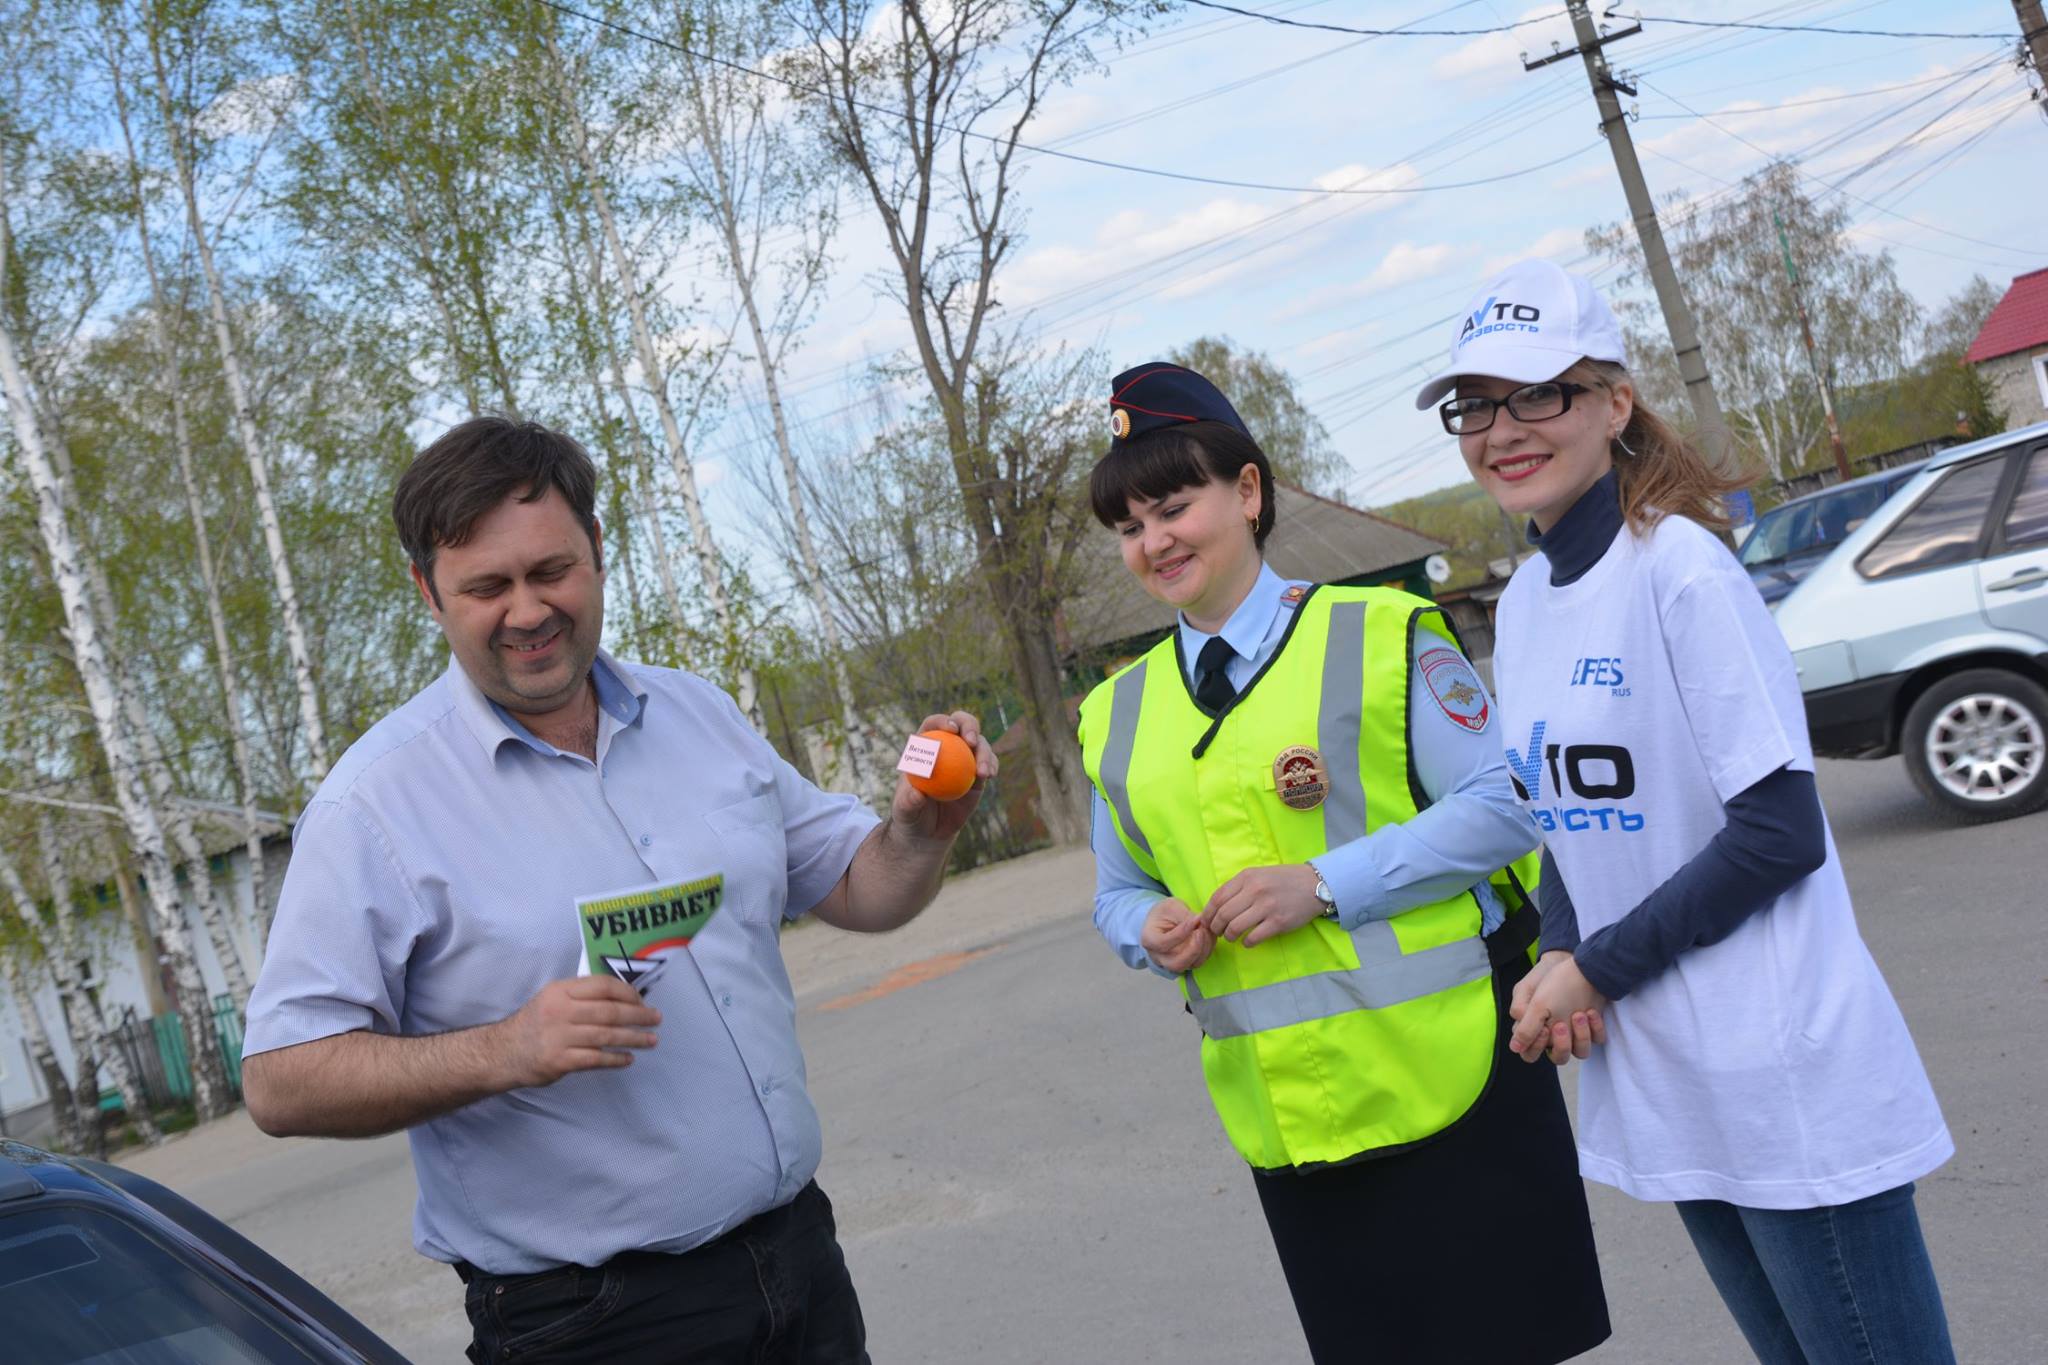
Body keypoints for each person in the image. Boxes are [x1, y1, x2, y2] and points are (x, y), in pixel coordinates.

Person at [240, 417, 996, 1365]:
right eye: (487, 586)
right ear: (427, 592)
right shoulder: (373, 807)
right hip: (591, 1325)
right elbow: (280, 1075)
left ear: (598, 553)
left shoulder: (698, 713)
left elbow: (861, 886)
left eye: (551, 570)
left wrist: (921, 829)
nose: (527, 609)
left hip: (798, 1261)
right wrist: (506, 1048)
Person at [1422, 258, 1956, 1364]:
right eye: (1474, 405)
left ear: (1612, 403)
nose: (1499, 430)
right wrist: (1558, 949)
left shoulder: (1680, 571)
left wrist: (1596, 966)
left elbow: (1776, 830)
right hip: (1668, 1071)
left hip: (1778, 1074)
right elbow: (1560, 812)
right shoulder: (1521, 607)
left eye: (1537, 395)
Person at [1076, 363, 1611, 1364]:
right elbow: (1116, 892)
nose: (1152, 543)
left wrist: (1323, 885)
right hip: (1289, 1120)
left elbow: (1506, 804)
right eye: (1127, 527)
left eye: (1171, 506)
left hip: (1453, 1078)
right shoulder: (1113, 714)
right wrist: (1140, 932)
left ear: (1246, 491)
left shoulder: (1381, 635)